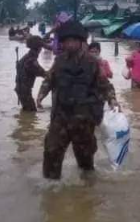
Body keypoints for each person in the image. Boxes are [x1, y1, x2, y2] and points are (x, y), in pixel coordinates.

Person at [36, 20, 119, 180]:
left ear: (81, 42)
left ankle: (86, 193)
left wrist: (113, 100)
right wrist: (41, 95)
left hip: (84, 119)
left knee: (85, 160)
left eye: (73, 41)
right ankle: (51, 188)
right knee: (52, 150)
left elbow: (105, 85)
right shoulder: (59, 61)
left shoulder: (93, 63)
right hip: (61, 116)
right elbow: (49, 79)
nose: (70, 44)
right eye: (67, 41)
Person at [15, 36, 47, 112]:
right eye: (41, 47)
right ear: (39, 48)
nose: (41, 49)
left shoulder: (26, 57)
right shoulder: (31, 60)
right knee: (31, 113)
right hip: (25, 91)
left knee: (26, 111)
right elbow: (42, 73)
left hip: (20, 88)